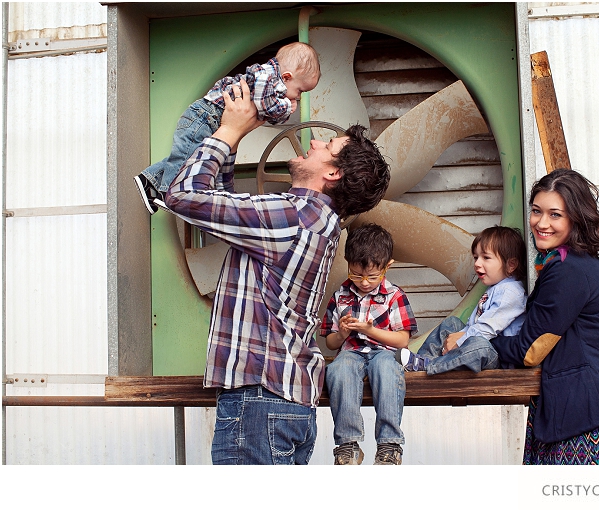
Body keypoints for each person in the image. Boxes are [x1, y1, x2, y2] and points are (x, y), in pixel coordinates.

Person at [164, 80, 390, 464]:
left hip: (258, 405)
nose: (315, 142)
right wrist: (234, 144)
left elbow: (183, 197)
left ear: (333, 174)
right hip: (290, 403)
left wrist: (227, 132)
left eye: (328, 146)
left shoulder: (292, 217)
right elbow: (229, 211)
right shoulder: (317, 222)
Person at [491, 169, 599, 465]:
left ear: (575, 218)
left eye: (555, 215)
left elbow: (530, 350)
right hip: (582, 414)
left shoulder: (568, 270)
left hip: (590, 424)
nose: (541, 223)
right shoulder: (568, 263)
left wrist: (480, 342)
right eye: (537, 212)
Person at [135, 41, 321, 214]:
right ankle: (167, 193)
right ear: (287, 77)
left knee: (189, 157)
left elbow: (269, 115)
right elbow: (266, 107)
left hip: (208, 120)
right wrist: (288, 106)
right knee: (185, 159)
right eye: (300, 91)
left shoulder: (272, 84)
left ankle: (147, 179)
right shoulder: (266, 76)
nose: (297, 98)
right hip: (204, 117)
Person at [320, 223, 418, 465]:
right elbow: (331, 343)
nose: (364, 282)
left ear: (387, 266)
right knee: (339, 369)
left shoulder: (395, 296)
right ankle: (347, 444)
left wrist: (370, 330)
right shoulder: (340, 296)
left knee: (385, 368)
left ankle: (389, 444)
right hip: (351, 352)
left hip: (384, 353)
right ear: (347, 263)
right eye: (356, 274)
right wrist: (342, 334)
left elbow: (403, 340)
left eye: (372, 276)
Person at [396, 225, 527, 374]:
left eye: (486, 257)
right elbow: (472, 325)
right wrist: (455, 339)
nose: (477, 263)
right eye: (476, 257)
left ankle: (429, 365)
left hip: (499, 360)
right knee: (451, 324)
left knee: (479, 345)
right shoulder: (495, 288)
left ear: (511, 265)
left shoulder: (511, 292)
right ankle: (422, 360)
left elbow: (487, 329)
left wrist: (459, 340)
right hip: (475, 343)